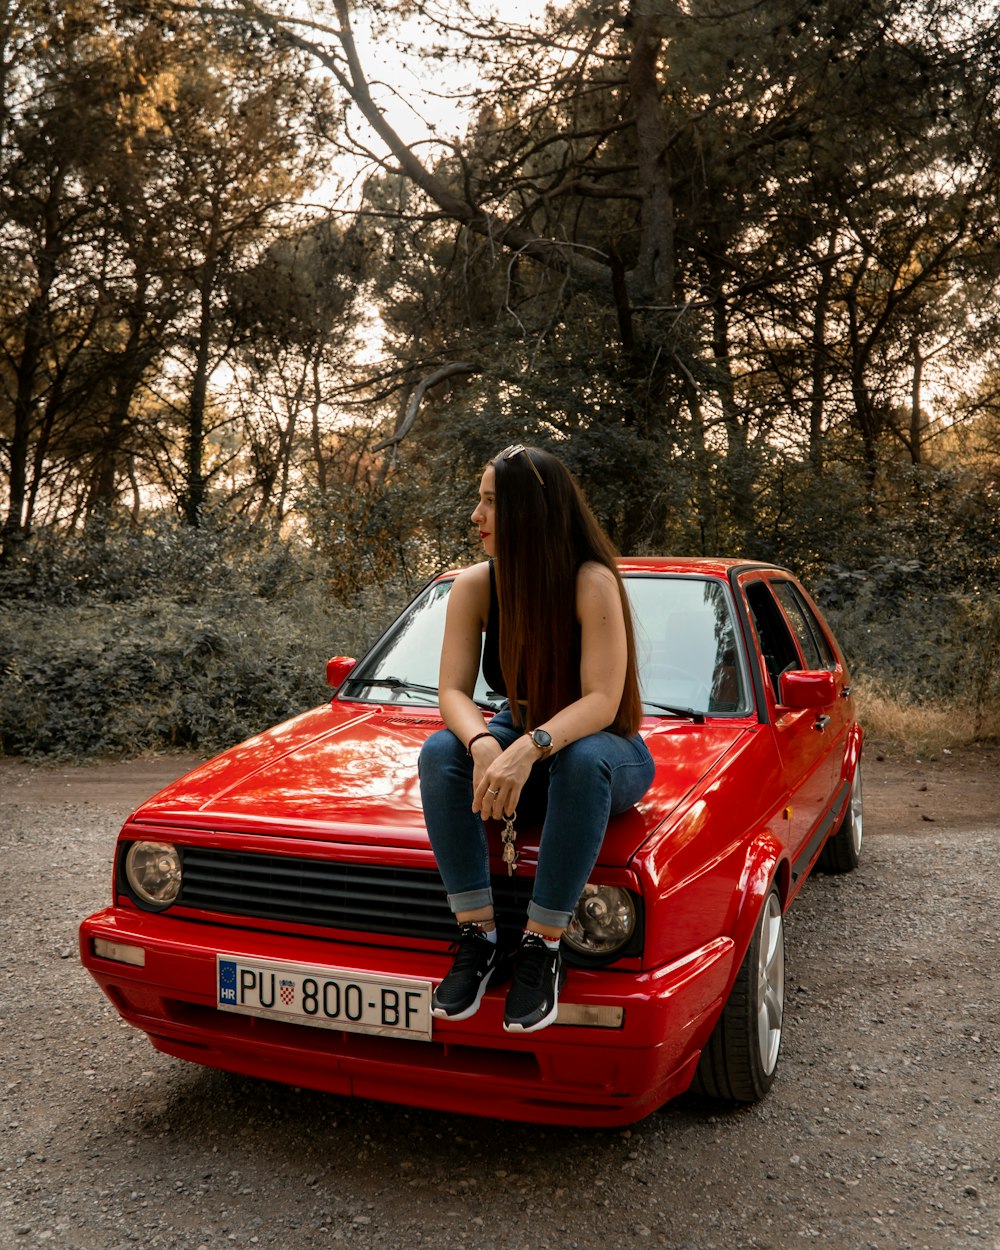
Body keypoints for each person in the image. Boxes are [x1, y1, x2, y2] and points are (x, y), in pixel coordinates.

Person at [418, 443, 655, 1034]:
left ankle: (543, 945)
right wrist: (483, 743)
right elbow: (451, 693)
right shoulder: (475, 586)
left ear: (530, 512)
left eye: (491, 503)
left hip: (606, 748)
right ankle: (479, 935)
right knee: (440, 751)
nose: (476, 516)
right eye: (479, 501)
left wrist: (531, 746)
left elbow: (603, 701)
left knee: (584, 762)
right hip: (514, 728)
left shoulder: (590, 581)